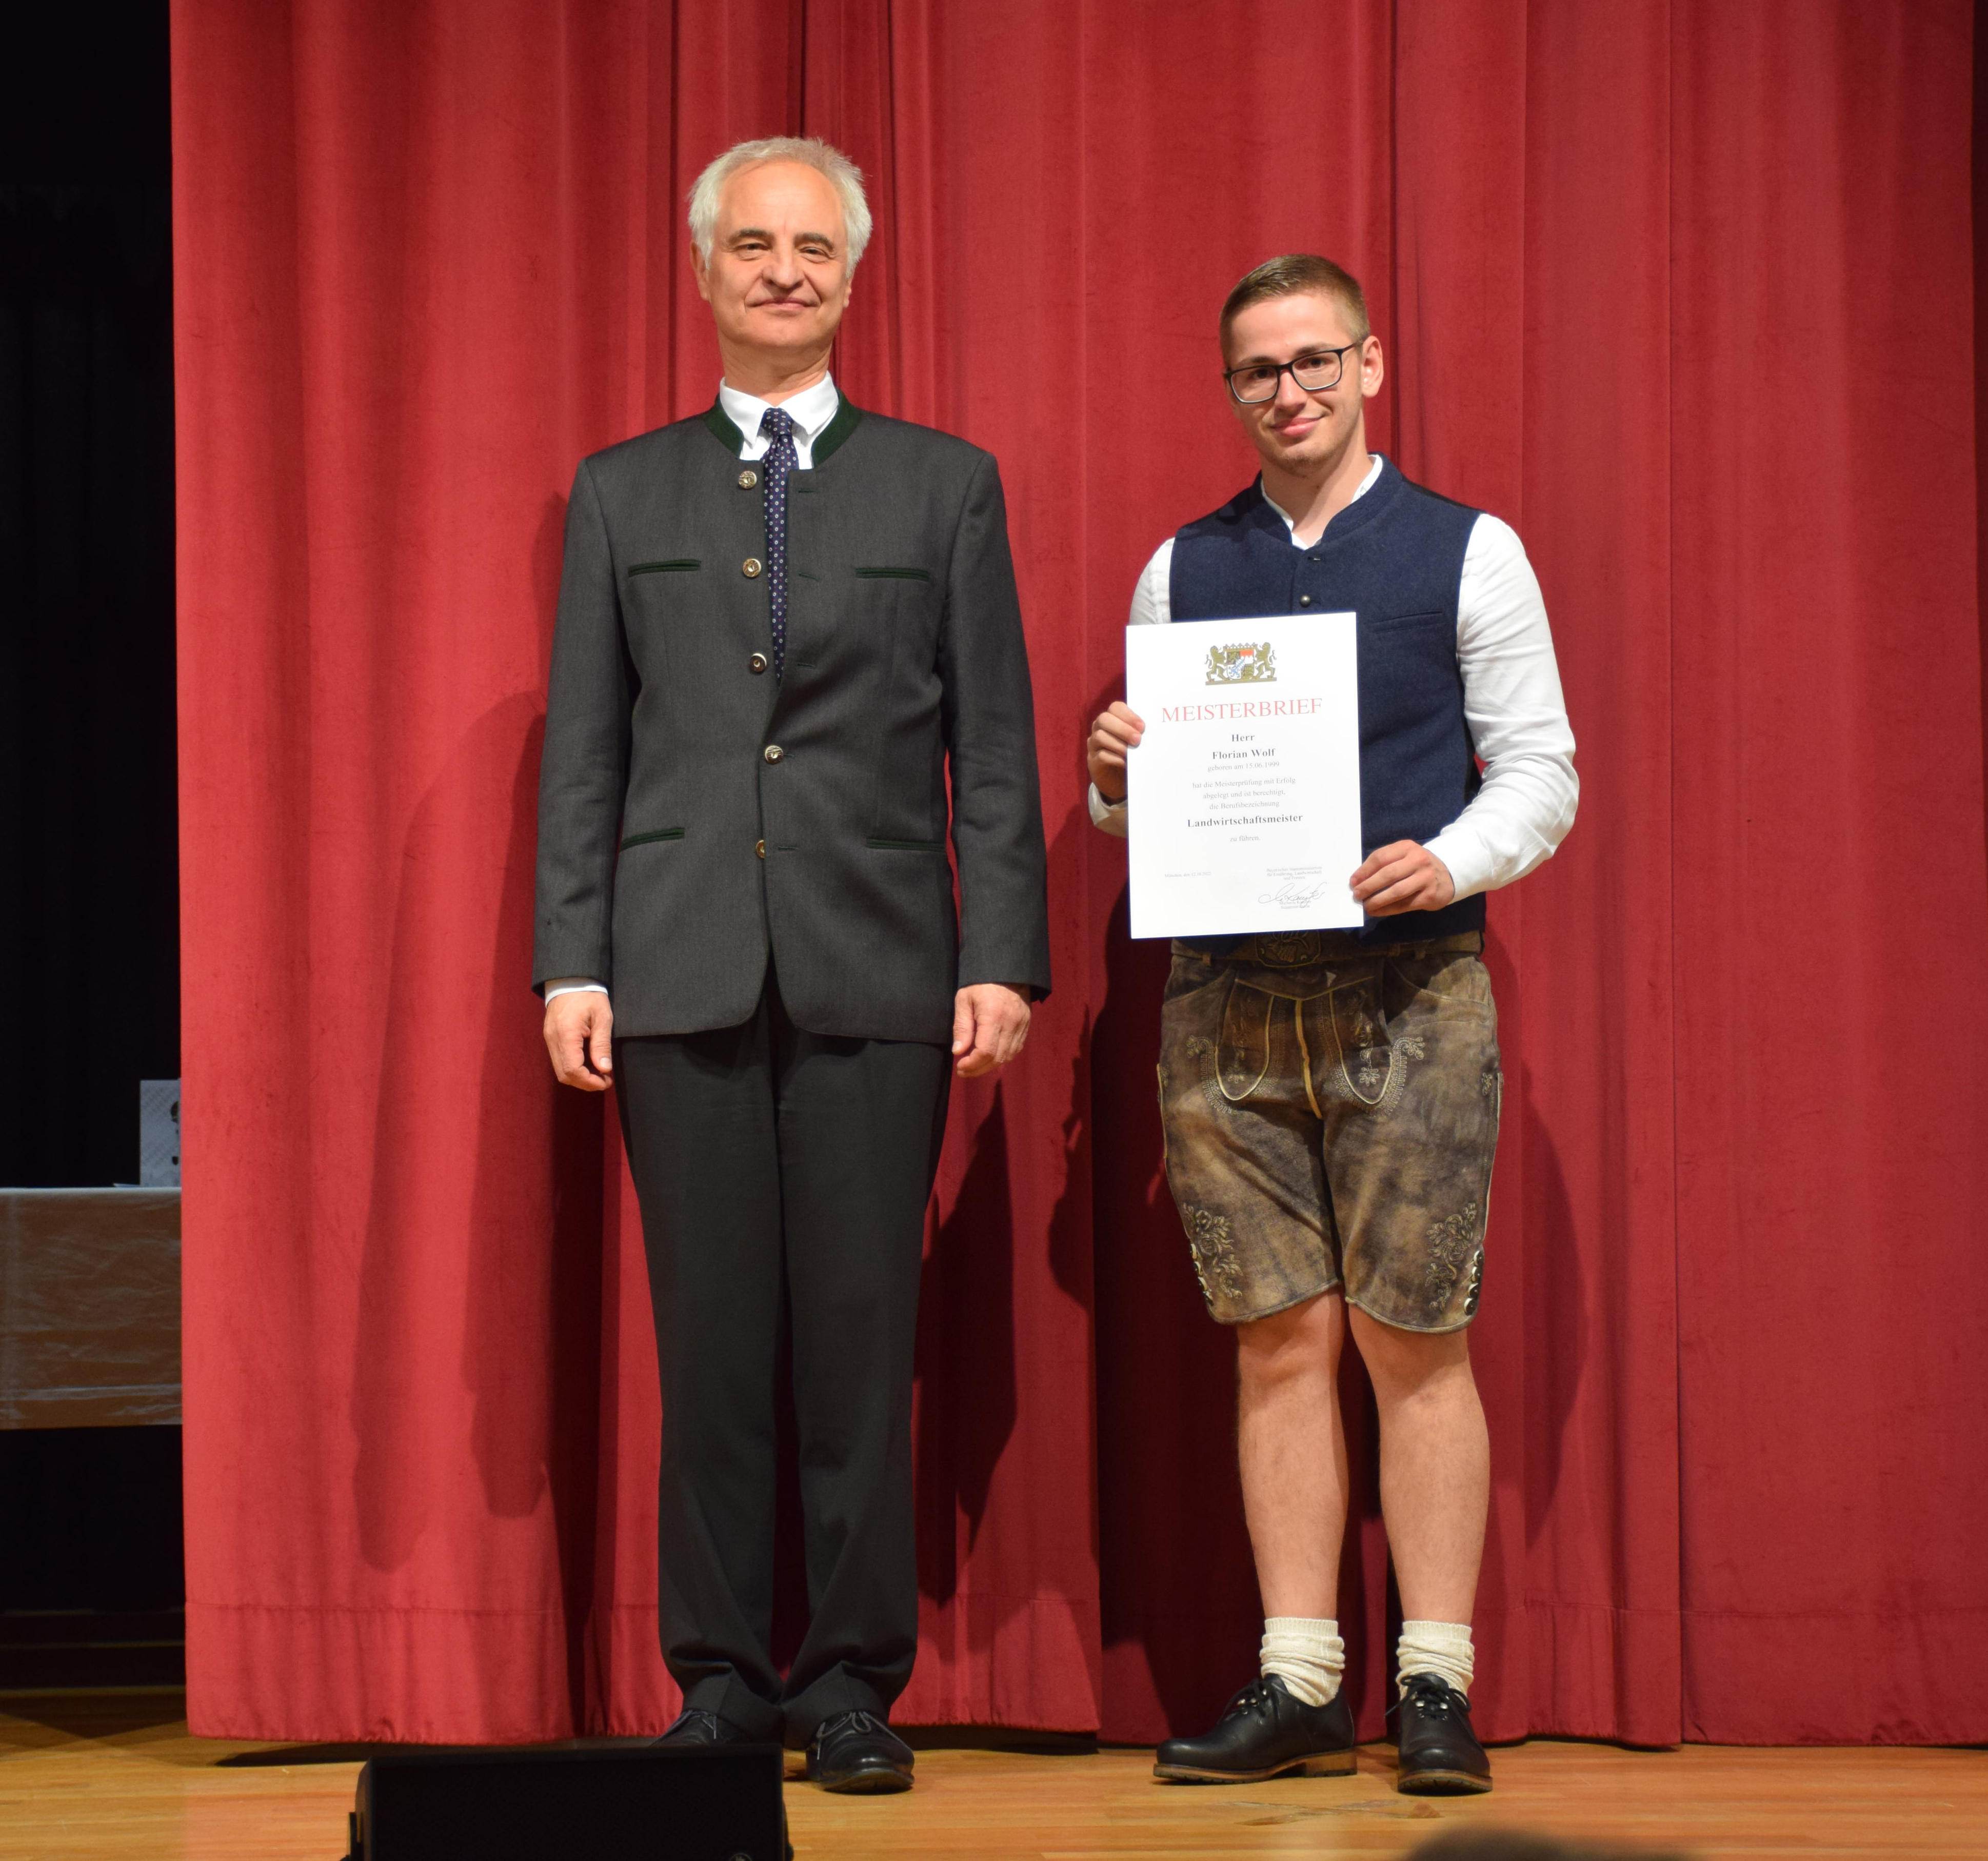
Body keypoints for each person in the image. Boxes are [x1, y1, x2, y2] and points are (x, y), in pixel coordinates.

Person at [533, 136, 1050, 1794]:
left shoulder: (943, 485)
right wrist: (570, 962)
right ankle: (713, 1681)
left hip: (880, 973)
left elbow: (995, 745)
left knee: (855, 1345)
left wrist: (1002, 953)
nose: (782, 270)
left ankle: (846, 1684)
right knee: (708, 1353)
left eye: (811, 247)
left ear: (851, 272)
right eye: (752, 244)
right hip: (674, 971)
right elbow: (587, 755)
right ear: (703, 269)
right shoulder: (620, 491)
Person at [1086, 254, 1575, 1795]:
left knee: (1414, 1337)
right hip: (1225, 1002)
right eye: (1258, 371)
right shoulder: (1182, 568)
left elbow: (1542, 771)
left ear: (1369, 366)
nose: (1287, 392)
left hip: (1412, 990)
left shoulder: (1470, 550)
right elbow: (1136, 818)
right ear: (1230, 389)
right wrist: (1112, 773)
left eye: (1313, 361)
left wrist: (1455, 858)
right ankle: (1300, 1679)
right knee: (1277, 1339)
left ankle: (1434, 1681)